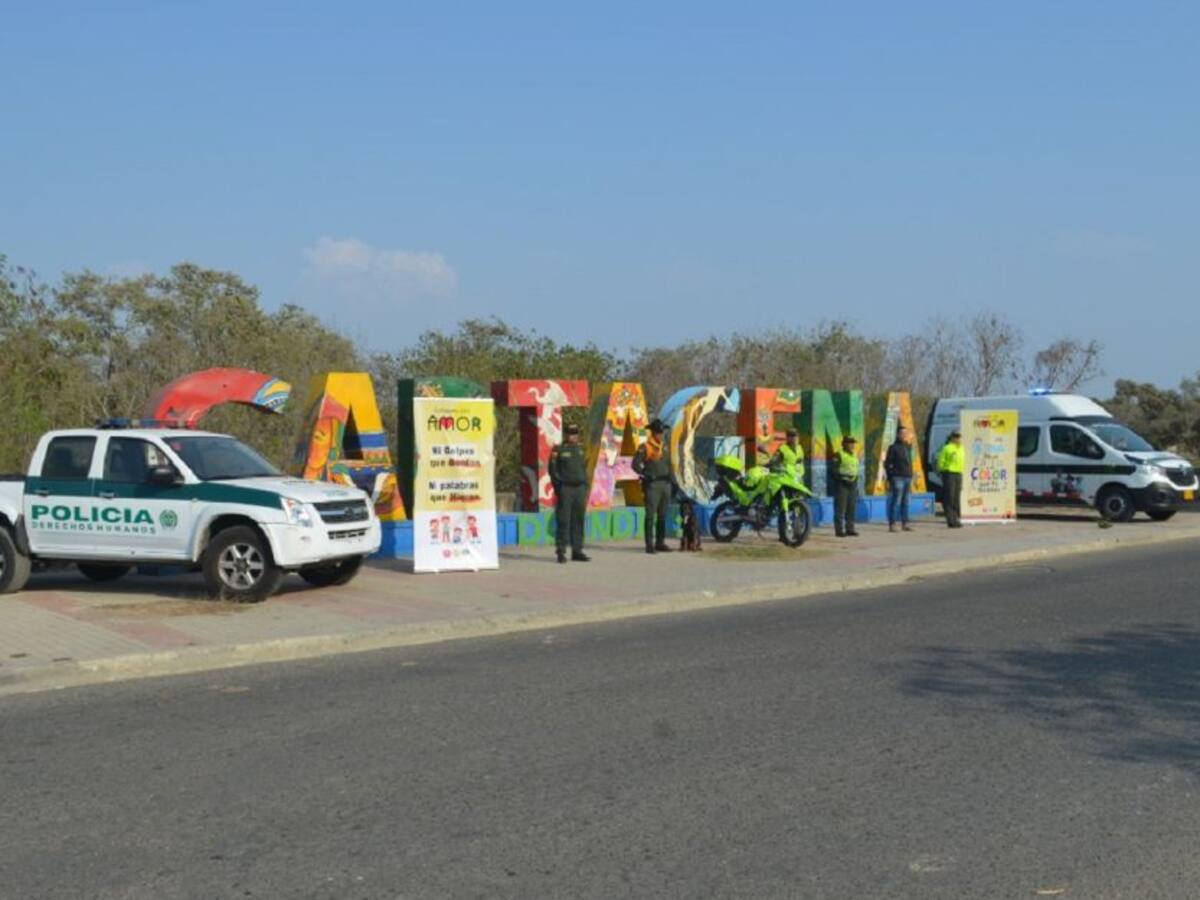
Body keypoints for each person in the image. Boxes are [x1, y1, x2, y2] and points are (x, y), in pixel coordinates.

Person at [548, 423, 589, 562]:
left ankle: (577, 550)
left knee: (579, 520)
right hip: (566, 488)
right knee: (564, 520)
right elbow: (552, 470)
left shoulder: (581, 449)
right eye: (571, 433)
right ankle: (561, 551)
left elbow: (585, 468)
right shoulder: (559, 449)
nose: (574, 436)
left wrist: (585, 485)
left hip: (580, 489)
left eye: (576, 433)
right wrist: (558, 487)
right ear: (566, 434)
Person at [632, 418, 673, 554]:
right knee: (650, 515)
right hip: (653, 484)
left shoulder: (665, 446)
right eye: (659, 432)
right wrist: (644, 473)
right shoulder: (645, 447)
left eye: (662, 432)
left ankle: (660, 542)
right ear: (653, 433)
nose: (661, 435)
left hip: (665, 484)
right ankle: (649, 544)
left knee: (662, 515)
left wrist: (673, 481)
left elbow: (670, 465)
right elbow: (635, 464)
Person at [884, 425, 915, 533]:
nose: (904, 435)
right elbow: (887, 463)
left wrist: (911, 475)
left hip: (907, 477)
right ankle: (892, 524)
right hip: (897, 477)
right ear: (897, 435)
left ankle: (905, 523)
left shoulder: (908, 447)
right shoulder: (893, 448)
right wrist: (891, 476)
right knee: (896, 501)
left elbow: (909, 462)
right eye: (902, 434)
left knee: (906, 501)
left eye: (905, 434)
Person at [832, 436, 861, 538]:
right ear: (844, 444)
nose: (852, 445)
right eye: (850, 443)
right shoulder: (838, 454)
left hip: (852, 484)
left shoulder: (854, 455)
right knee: (841, 508)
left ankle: (850, 528)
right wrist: (842, 479)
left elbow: (855, 468)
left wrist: (855, 480)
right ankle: (839, 530)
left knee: (851, 507)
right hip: (842, 484)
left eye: (853, 443)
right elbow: (834, 470)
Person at [937, 429, 965, 528]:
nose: (958, 438)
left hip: (958, 473)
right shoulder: (947, 448)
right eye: (956, 436)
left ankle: (956, 518)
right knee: (950, 497)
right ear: (952, 437)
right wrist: (943, 471)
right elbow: (940, 461)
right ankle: (950, 520)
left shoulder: (961, 448)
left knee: (956, 498)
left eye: (959, 436)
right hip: (949, 473)